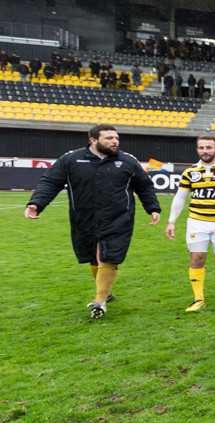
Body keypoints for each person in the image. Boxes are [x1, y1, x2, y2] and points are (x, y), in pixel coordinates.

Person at [25, 125, 161, 319]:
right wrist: (36, 203)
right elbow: (50, 181)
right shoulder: (71, 159)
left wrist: (153, 208)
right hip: (84, 217)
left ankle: (100, 301)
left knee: (108, 256)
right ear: (93, 140)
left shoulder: (127, 160)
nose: (114, 142)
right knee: (93, 256)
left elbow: (144, 186)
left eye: (116, 138)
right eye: (108, 138)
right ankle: (105, 291)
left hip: (118, 218)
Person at [164, 136, 215, 312]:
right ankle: (199, 299)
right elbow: (180, 197)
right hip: (197, 222)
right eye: (201, 148)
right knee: (196, 258)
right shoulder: (190, 172)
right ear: (197, 149)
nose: (205, 151)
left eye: (208, 147)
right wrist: (171, 221)